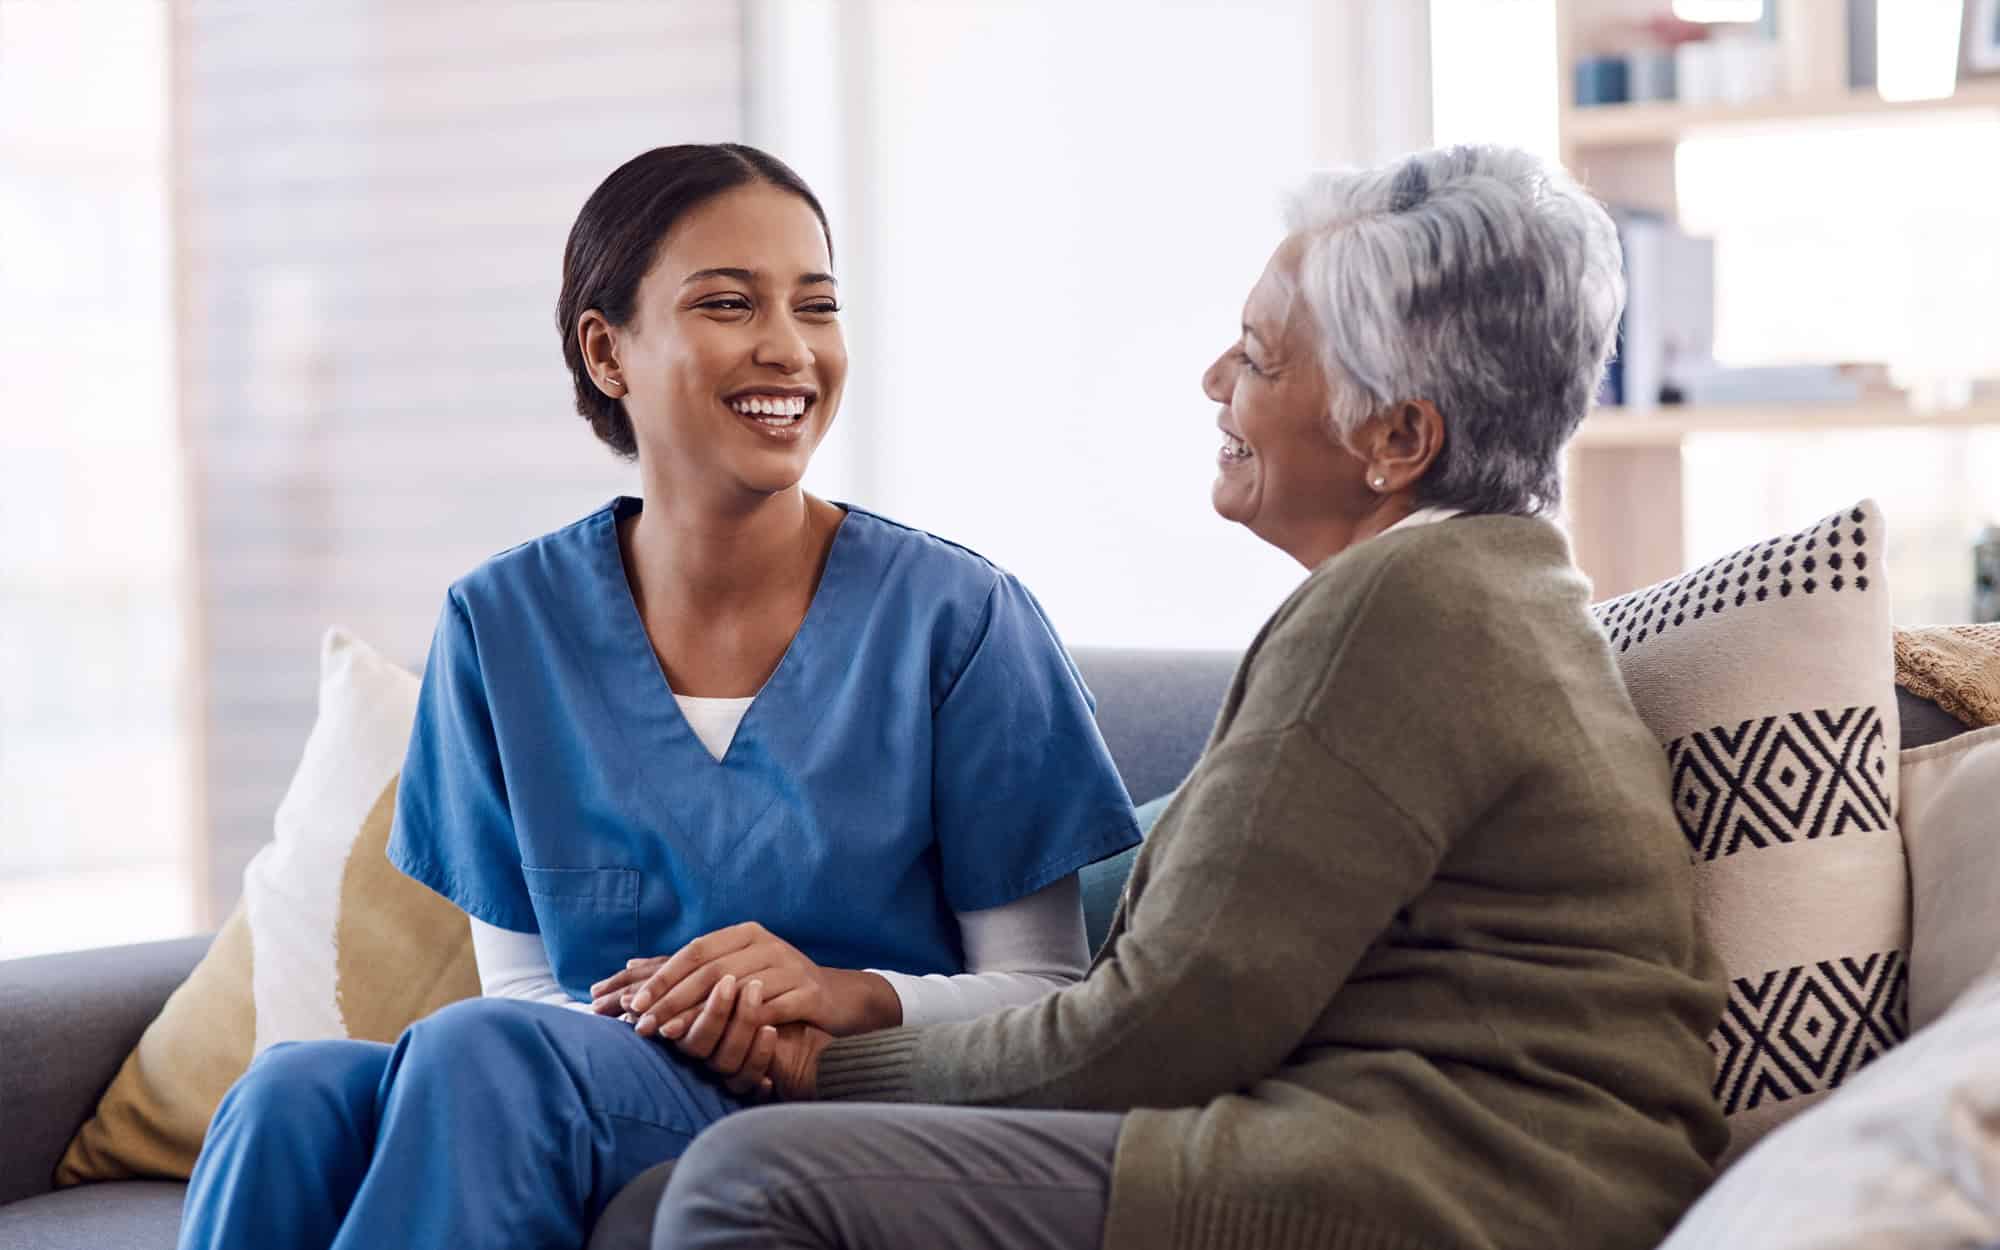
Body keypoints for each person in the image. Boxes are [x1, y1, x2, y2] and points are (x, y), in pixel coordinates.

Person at [646, 144, 1731, 1250]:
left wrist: (825, 1063)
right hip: (1453, 1158)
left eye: (1259, 359)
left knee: (750, 1178)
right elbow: (1196, 915)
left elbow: (1152, 1032)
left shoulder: (1401, 613)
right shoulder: (1486, 588)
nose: (1214, 379)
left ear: (1395, 437)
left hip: (1454, 1179)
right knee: (664, 1189)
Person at [175, 143, 1140, 1250]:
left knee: (480, 1050)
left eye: (815, 305)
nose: (787, 346)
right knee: (290, 1089)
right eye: (729, 303)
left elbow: (1043, 990)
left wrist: (835, 992)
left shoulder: (959, 617)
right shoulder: (501, 625)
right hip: (582, 1080)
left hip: (843, 1101)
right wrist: (669, 1020)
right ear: (607, 350)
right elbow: (528, 987)